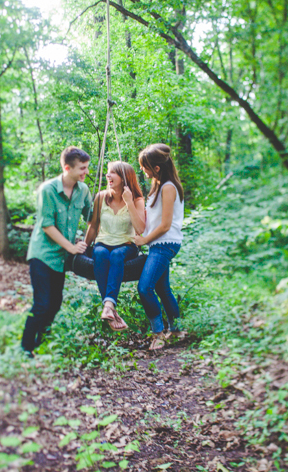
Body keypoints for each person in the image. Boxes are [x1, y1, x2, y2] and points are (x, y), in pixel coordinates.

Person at [21, 146, 94, 355]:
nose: (86, 172)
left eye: (87, 168)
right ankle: (25, 348)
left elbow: (92, 218)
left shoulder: (83, 190)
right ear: (67, 167)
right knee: (42, 304)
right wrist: (72, 247)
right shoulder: (48, 189)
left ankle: (41, 342)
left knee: (55, 304)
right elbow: (47, 225)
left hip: (61, 259)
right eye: (82, 168)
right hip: (42, 255)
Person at [133, 143, 185, 350]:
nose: (142, 170)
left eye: (145, 166)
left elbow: (165, 225)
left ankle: (159, 333)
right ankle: (178, 330)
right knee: (162, 289)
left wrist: (145, 240)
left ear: (156, 168)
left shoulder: (168, 187)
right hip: (159, 244)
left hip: (165, 244)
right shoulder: (159, 185)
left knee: (145, 288)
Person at [83, 161, 145, 332]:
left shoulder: (137, 199)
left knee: (116, 255)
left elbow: (140, 229)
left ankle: (108, 306)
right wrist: (84, 246)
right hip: (103, 243)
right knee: (101, 253)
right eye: (107, 172)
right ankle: (110, 306)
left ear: (125, 177)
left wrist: (129, 202)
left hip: (126, 246)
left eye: (112, 173)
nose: (107, 176)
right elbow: (94, 226)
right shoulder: (101, 197)